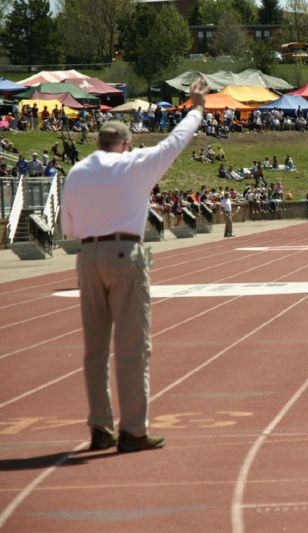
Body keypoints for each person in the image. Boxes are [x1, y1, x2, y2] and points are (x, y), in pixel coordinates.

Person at [61, 78, 208, 453]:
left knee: (94, 349)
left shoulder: (77, 172)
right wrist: (196, 106)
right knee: (132, 347)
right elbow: (176, 141)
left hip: (87, 256)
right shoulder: (134, 163)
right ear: (125, 144)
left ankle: (99, 427)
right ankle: (133, 429)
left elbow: (69, 228)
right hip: (124, 253)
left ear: (99, 144)